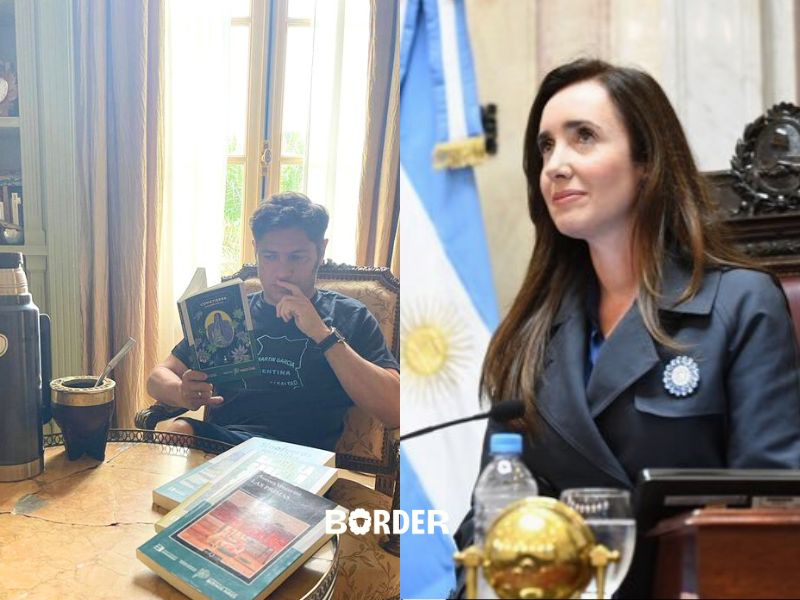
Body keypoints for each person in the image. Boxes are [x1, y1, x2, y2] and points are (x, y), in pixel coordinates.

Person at [452, 59, 800, 597]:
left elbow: (770, 518)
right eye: (546, 147)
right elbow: (490, 515)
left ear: (646, 163)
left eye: (583, 137)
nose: (555, 166)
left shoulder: (741, 304)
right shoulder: (530, 331)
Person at [147, 192, 400, 451]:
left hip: (301, 458)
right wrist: (181, 392)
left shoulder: (350, 316)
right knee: (176, 431)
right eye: (270, 256)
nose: (282, 272)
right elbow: (157, 377)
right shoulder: (232, 313)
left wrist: (322, 334)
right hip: (226, 446)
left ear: (321, 251)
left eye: (297, 257)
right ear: (256, 250)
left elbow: (395, 410)